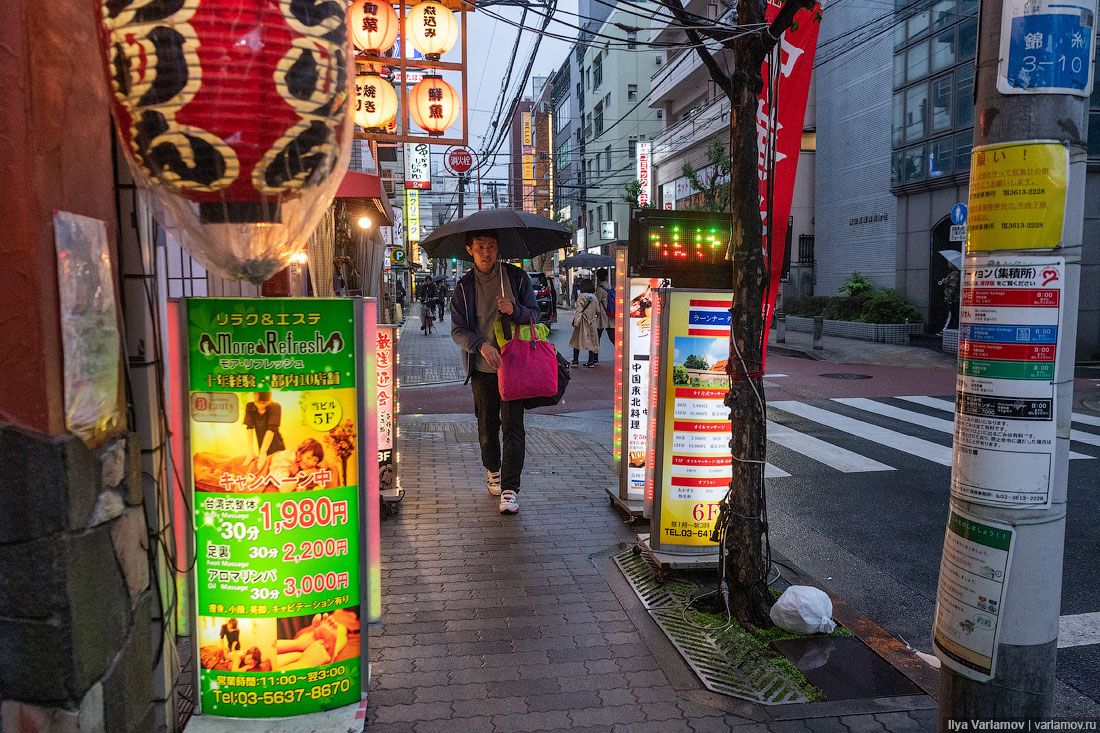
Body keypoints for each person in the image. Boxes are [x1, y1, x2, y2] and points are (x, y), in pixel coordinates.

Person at [451, 230, 540, 514]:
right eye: (480, 247)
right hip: (483, 369)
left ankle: (511, 489)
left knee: (513, 427)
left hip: (514, 367)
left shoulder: (516, 278)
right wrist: (480, 346)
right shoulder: (464, 287)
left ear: (498, 248)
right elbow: (457, 330)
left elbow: (535, 315)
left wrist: (515, 309)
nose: (486, 252)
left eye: (491, 246)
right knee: (488, 427)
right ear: (470, 251)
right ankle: (492, 469)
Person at [244, 392, 284, 474]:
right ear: (254, 397)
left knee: (277, 469)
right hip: (261, 442)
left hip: (276, 443)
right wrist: (251, 450)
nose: (261, 406)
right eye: (258, 402)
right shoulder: (250, 406)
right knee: (263, 470)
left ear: (269, 400)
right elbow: (249, 427)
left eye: (265, 403)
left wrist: (263, 452)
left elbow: (271, 429)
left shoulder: (275, 407)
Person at [570, 278, 601, 367]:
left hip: (582, 321)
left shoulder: (581, 296)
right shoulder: (594, 297)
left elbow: (579, 310)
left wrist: (576, 322)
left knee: (576, 340)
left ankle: (575, 360)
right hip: (592, 322)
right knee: (592, 340)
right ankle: (591, 361)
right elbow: (598, 311)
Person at [595, 267, 615, 346]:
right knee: (612, 335)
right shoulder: (611, 287)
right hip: (611, 313)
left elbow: (597, 302)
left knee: (597, 336)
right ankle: (620, 350)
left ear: (598, 277)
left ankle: (595, 356)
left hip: (603, 315)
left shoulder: (600, 289)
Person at [938, 263, 960, 333]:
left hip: (954, 298)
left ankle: (946, 330)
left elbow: (952, 286)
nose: (948, 264)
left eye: (950, 263)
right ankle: (946, 329)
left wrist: (949, 298)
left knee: (952, 314)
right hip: (954, 298)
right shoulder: (952, 273)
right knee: (952, 314)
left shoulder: (955, 274)